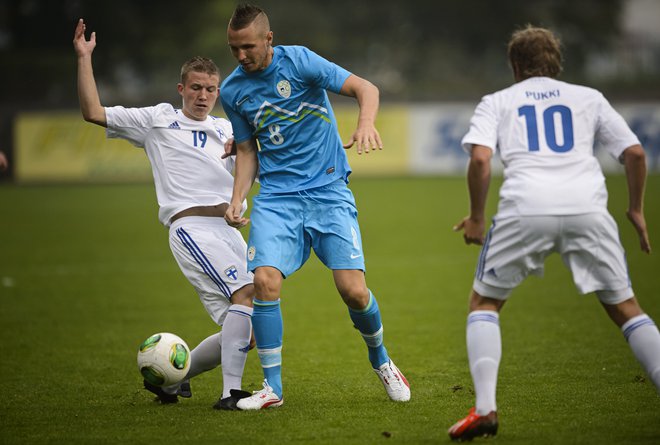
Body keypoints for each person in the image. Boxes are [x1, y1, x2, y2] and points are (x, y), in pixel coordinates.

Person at [449, 25, 660, 441]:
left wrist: (476, 217)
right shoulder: (589, 98)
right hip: (587, 207)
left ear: (514, 66)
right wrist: (635, 208)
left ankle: (486, 410)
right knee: (626, 308)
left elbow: (480, 160)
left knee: (484, 302)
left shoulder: (498, 101)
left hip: (526, 206)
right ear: (557, 64)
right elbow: (634, 152)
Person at [220, 4, 410, 410]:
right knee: (265, 282)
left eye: (248, 47)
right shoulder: (233, 91)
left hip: (328, 191)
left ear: (268, 40)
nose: (240, 56)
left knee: (354, 292)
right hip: (276, 198)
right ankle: (273, 389)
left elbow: (367, 89)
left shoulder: (300, 61)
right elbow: (246, 150)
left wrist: (365, 122)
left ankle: (381, 360)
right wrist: (237, 198)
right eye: (234, 48)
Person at [73, 18, 256, 410]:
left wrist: (239, 197)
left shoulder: (227, 129)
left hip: (226, 228)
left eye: (210, 89)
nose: (203, 96)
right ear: (181, 89)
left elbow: (250, 169)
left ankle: (174, 378)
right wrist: (84, 58)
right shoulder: (157, 120)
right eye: (195, 88)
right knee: (246, 294)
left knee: (247, 325)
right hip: (192, 227)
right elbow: (92, 111)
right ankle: (231, 395)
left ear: (218, 91)